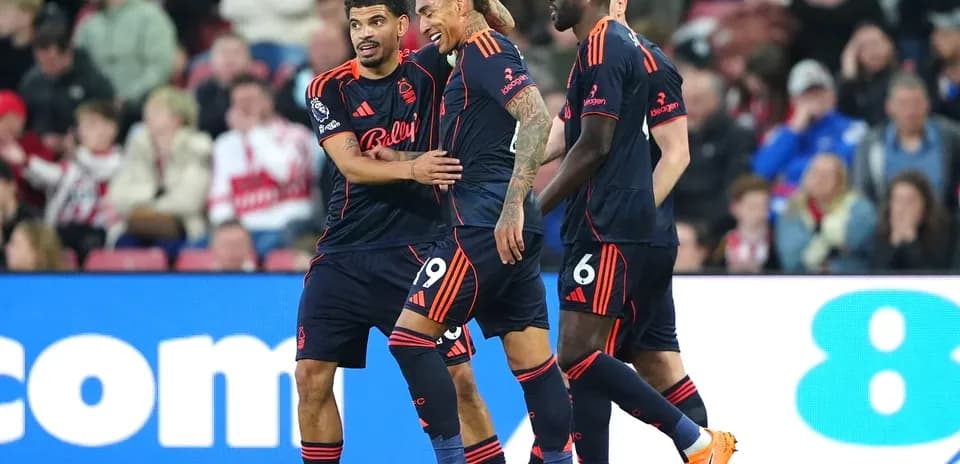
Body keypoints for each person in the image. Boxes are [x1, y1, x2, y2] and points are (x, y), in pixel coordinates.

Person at [297, 0, 518, 463]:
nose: (364, 34)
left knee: (459, 379)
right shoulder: (326, 87)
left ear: (403, 26)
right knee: (311, 376)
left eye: (376, 22)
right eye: (355, 25)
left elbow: (494, 27)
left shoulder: (430, 70)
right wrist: (414, 167)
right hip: (342, 253)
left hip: (419, 250)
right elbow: (351, 165)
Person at [537, 2, 736, 464]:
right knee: (657, 363)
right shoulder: (649, 57)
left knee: (577, 356)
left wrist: (632, 214)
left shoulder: (604, 46)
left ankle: (697, 441)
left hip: (612, 231)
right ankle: (703, 448)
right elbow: (568, 131)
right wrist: (512, 170)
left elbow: (668, 152)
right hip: (643, 234)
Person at [382, 0, 571, 462]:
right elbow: (496, 22)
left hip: (483, 225)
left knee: (409, 340)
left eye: (429, 12)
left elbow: (537, 117)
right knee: (533, 365)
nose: (422, 25)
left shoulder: (485, 50)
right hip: (508, 227)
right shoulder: (479, 46)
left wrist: (510, 204)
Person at [0, 101, 122, 263]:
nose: (84, 132)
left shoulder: (122, 165)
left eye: (91, 125)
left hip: (100, 232)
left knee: (89, 242)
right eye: (82, 126)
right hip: (62, 230)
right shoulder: (73, 163)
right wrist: (24, 160)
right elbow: (52, 175)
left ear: (111, 129)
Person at [872, 171, 953, 271]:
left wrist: (911, 241)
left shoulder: (942, 233)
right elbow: (875, 276)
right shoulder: (881, 232)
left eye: (910, 201)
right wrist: (894, 243)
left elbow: (934, 278)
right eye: (898, 200)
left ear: (925, 205)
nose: (903, 208)